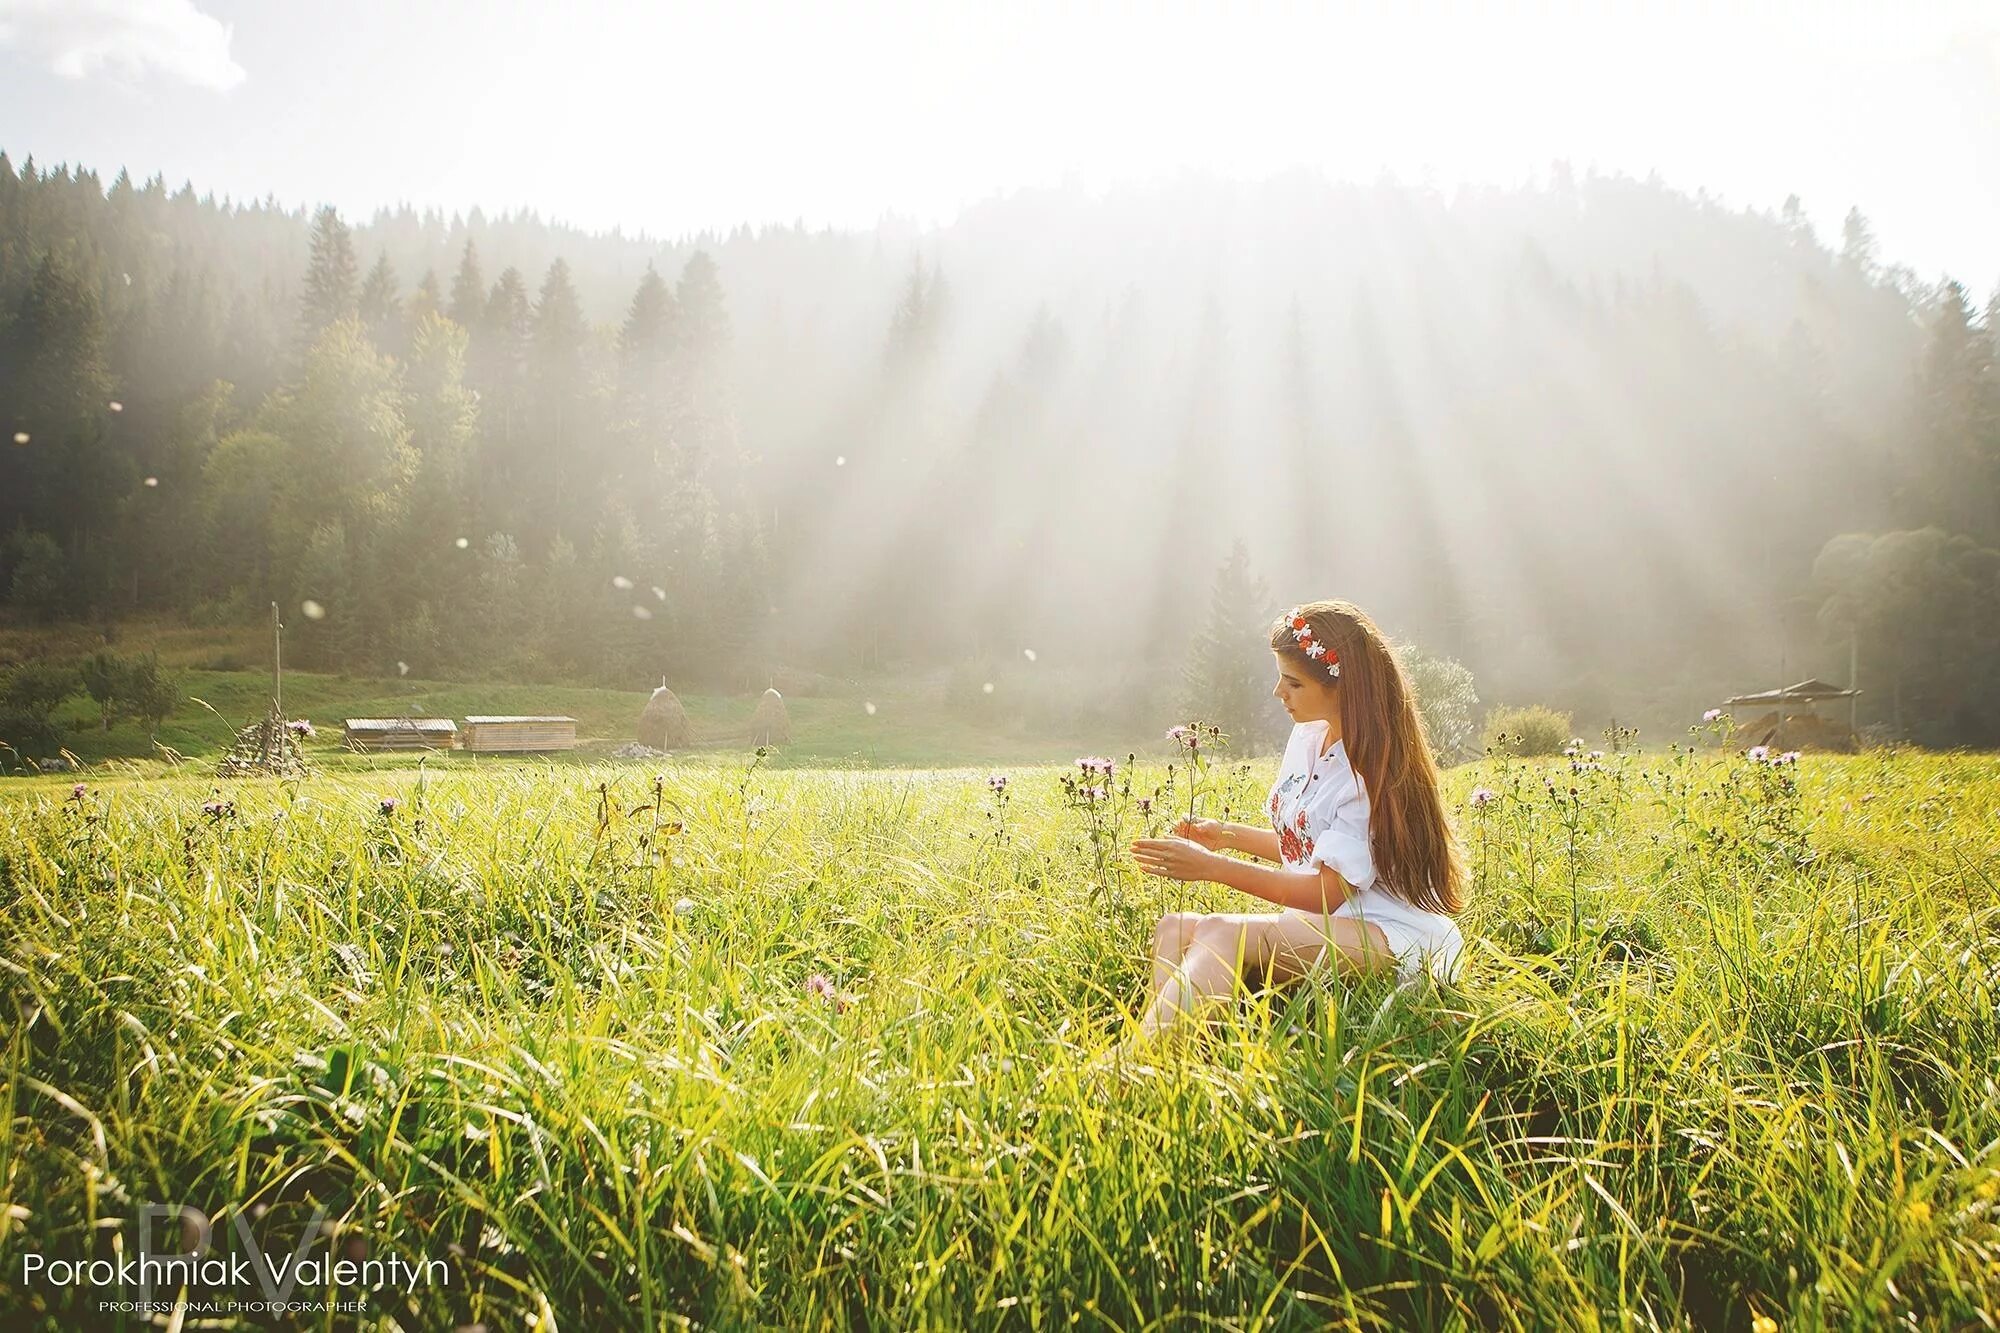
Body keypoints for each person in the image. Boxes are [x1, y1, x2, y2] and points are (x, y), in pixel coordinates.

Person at [1129, 599, 1468, 1037]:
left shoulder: (1369, 772)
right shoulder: (1308, 736)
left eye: (1293, 683)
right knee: (1174, 928)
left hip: (1390, 936)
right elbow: (1308, 846)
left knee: (1220, 931)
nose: (1278, 693)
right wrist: (1226, 837)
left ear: (1343, 688)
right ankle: (1178, 1063)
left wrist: (1213, 869)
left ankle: (1135, 1065)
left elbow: (1324, 894)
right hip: (1330, 925)